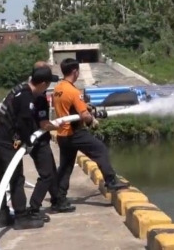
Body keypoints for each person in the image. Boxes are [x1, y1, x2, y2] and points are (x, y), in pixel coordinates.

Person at [52, 58, 129, 207]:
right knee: (100, 150)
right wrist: (92, 120)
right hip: (75, 132)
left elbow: (69, 107)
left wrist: (84, 107)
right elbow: (84, 115)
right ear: (75, 71)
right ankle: (111, 181)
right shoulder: (74, 91)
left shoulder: (58, 88)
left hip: (62, 134)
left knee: (65, 167)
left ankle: (58, 199)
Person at [0, 66, 55, 230]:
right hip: (6, 143)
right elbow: (23, 123)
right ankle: (21, 217)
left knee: (1, 178)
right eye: (47, 85)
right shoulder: (26, 98)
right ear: (42, 84)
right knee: (16, 179)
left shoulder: (20, 89)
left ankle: (1, 215)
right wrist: (28, 142)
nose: (46, 89)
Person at [27, 61, 76, 219]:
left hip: (35, 139)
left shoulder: (28, 93)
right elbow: (44, 124)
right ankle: (34, 208)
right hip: (38, 141)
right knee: (47, 174)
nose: (49, 85)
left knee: (52, 171)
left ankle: (57, 200)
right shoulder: (40, 98)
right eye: (47, 81)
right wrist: (61, 126)